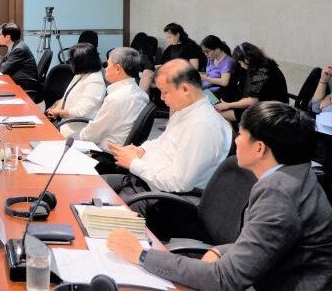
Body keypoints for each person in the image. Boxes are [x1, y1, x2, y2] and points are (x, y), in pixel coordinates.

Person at [107, 101, 332, 291]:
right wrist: (219, 249)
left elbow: (224, 279)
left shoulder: (279, 195)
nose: (236, 141)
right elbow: (263, 242)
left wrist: (141, 255)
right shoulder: (294, 175)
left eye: (241, 134)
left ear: (259, 148)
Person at [105, 59, 231, 214]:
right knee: (92, 185)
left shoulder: (203, 125)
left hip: (163, 200)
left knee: (98, 213)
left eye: (165, 92)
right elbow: (161, 141)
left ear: (185, 89)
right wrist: (142, 150)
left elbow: (179, 183)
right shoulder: (185, 111)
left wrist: (134, 163)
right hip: (147, 181)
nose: (162, 98)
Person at [77, 47, 150, 152]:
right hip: (125, 152)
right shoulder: (142, 95)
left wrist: (78, 138)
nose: (105, 69)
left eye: (107, 64)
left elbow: (90, 136)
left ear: (117, 69)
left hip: (106, 154)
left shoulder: (116, 98)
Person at [215, 43, 288, 122]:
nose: (241, 65)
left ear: (248, 59)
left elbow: (252, 100)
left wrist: (228, 105)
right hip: (267, 103)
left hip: (274, 110)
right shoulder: (260, 65)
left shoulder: (262, 71)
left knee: (220, 113)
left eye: (240, 62)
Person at [45, 43, 106, 136]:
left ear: (82, 62)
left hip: (76, 131)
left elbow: (80, 112)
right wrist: (54, 110)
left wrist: (58, 112)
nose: (69, 62)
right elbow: (66, 96)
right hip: (63, 123)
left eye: (72, 60)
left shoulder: (95, 82)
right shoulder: (80, 75)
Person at [0, 22, 38, 92]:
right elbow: (3, 62)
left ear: (8, 37)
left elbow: (3, 69)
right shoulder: (14, 45)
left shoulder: (19, 49)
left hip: (23, 85)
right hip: (17, 81)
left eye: (0, 34)